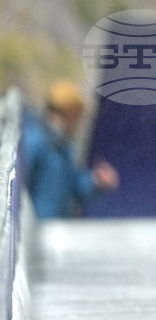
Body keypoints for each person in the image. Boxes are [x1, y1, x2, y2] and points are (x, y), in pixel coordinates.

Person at [19, 80, 119, 219]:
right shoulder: (32, 142)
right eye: (76, 115)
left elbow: (73, 186)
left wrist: (95, 182)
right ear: (62, 113)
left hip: (54, 231)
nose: (77, 122)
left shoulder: (64, 148)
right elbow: (17, 189)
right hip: (32, 231)